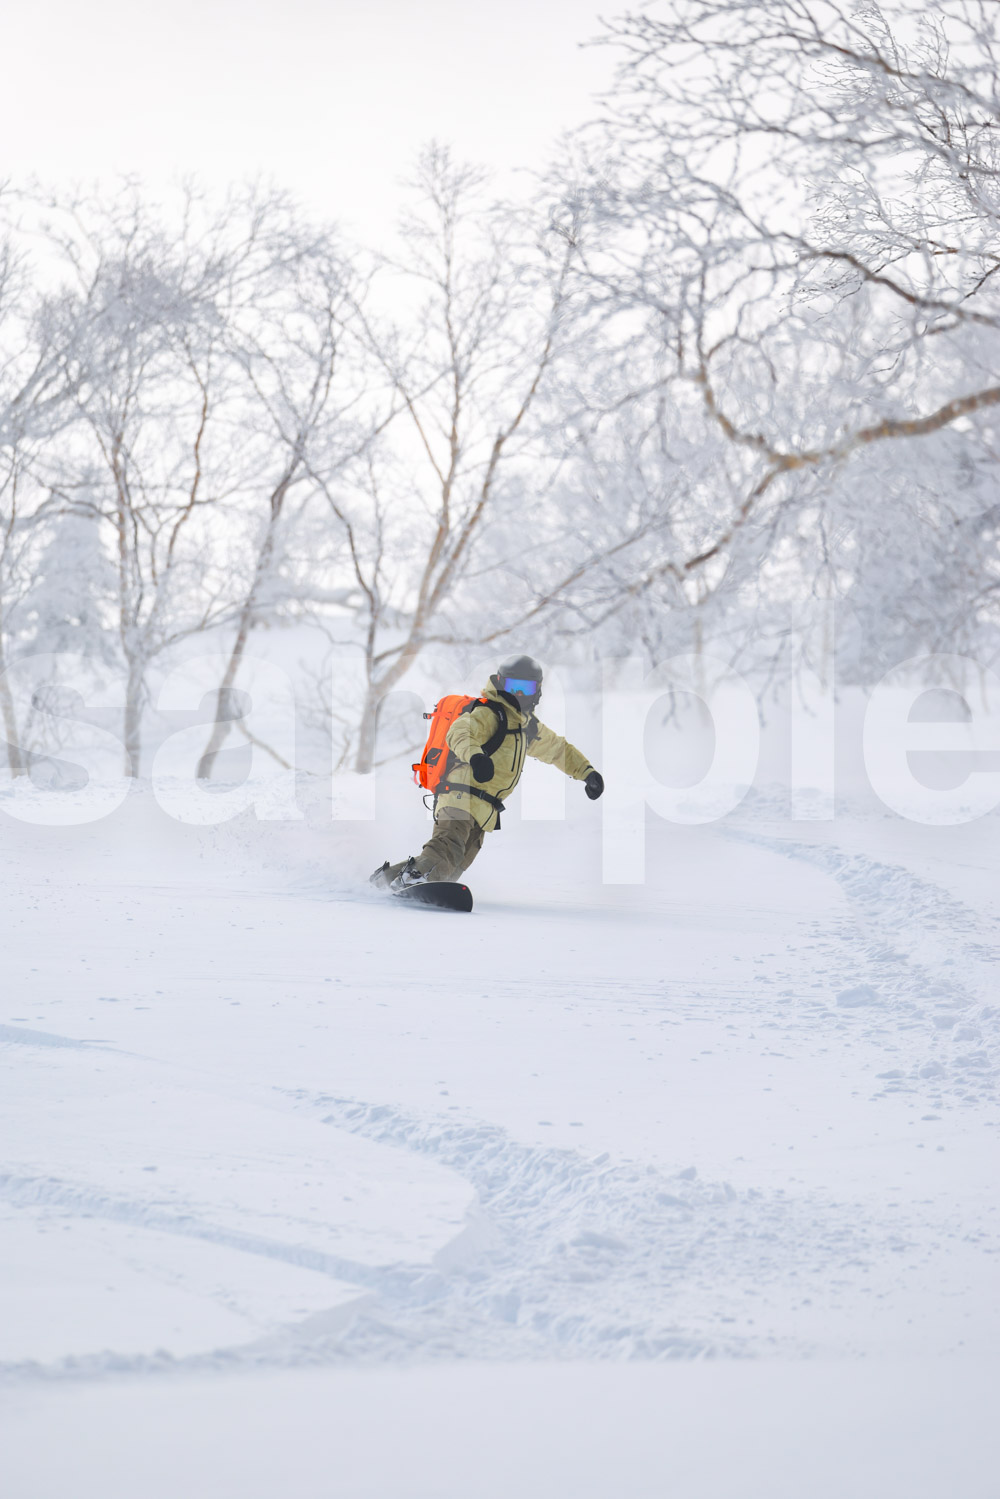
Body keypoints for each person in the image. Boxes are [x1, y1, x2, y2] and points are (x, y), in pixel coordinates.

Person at [371, 655, 604, 891]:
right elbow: (458, 732)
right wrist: (476, 756)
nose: (518, 694)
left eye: (526, 688)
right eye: (513, 687)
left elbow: (557, 749)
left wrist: (587, 773)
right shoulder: (490, 713)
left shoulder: (527, 726)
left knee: (454, 867)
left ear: (538, 690)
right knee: (446, 849)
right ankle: (411, 881)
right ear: (501, 683)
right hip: (460, 796)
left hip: (484, 809)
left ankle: (385, 881)